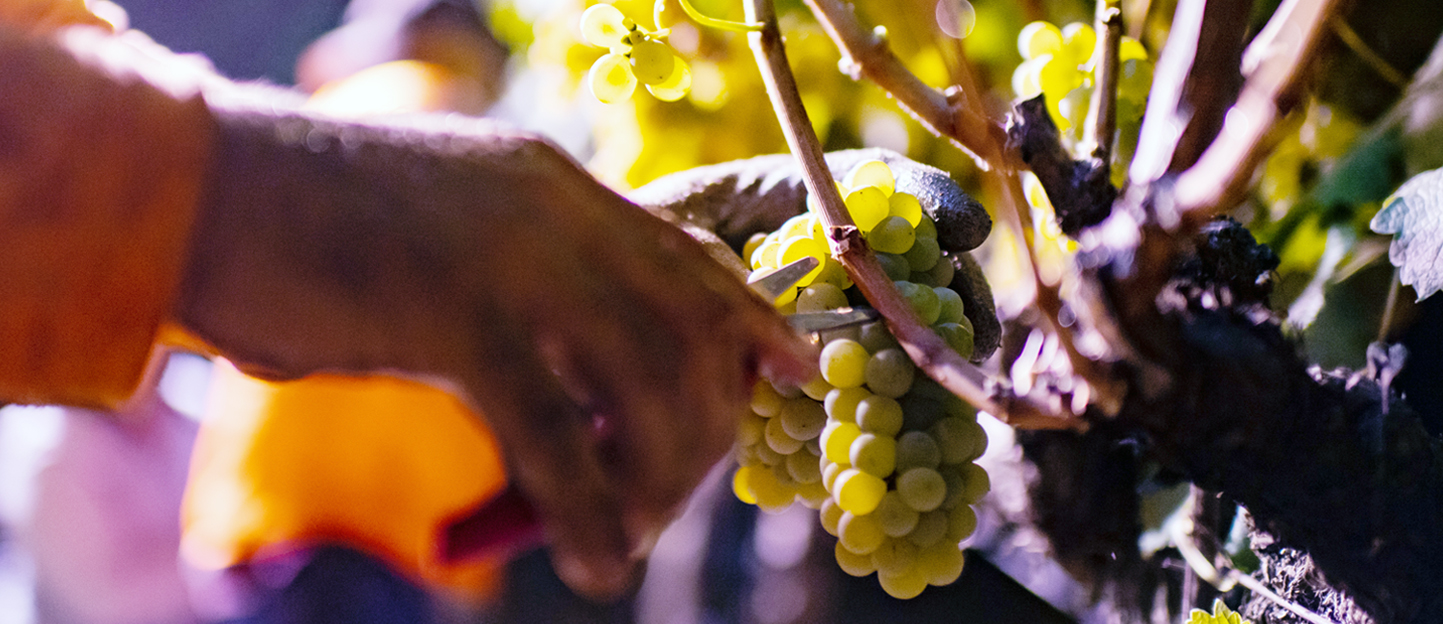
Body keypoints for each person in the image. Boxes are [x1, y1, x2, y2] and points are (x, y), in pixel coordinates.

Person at [0, 1, 813, 600]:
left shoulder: (360, 133)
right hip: (376, 544)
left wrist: (200, 178)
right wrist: (215, 183)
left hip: (259, 531)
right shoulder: (419, 119)